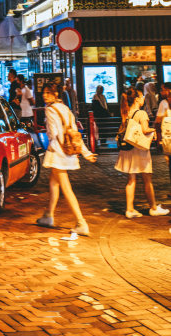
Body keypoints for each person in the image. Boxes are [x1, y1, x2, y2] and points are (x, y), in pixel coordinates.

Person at [36, 81, 97, 236]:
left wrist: (53, 148)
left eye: (48, 92)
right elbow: (74, 132)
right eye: (44, 92)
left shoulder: (50, 109)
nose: (44, 95)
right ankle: (48, 215)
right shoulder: (65, 108)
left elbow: (54, 133)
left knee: (65, 187)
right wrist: (85, 152)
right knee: (54, 184)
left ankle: (81, 222)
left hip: (57, 152)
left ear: (55, 94)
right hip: (67, 151)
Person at [115, 87, 169, 218]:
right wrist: (154, 130)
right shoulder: (141, 113)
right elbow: (145, 130)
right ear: (138, 99)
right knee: (147, 179)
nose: (144, 98)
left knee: (131, 180)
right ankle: (153, 208)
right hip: (139, 149)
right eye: (142, 96)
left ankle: (129, 209)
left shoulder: (126, 112)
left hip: (128, 149)